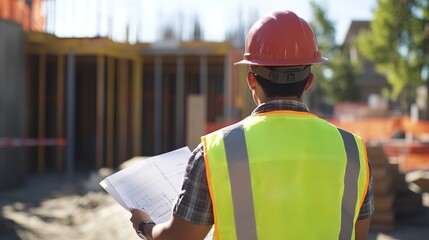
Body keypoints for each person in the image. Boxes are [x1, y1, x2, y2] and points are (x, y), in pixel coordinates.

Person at [130, 10, 374, 240]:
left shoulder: (214, 153)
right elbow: (359, 235)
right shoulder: (354, 151)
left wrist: (145, 226)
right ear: (309, 81)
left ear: (251, 80)